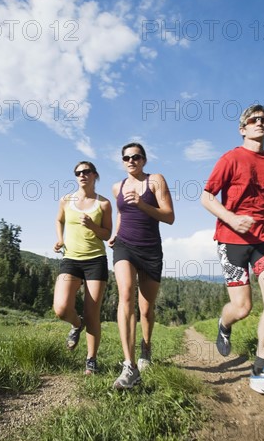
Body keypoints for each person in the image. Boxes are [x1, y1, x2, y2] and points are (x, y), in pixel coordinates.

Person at [201, 105, 264, 402]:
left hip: (263, 239)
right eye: (253, 120)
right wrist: (231, 218)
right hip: (230, 239)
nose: (259, 123)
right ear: (242, 129)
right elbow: (206, 197)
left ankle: (260, 371)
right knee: (242, 308)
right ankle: (224, 323)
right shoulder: (230, 158)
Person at [109, 143, 175, 390]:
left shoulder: (155, 180)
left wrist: (141, 204)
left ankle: (145, 349)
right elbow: (120, 213)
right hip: (124, 245)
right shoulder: (118, 186)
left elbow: (169, 216)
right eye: (126, 157)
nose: (130, 160)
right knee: (125, 295)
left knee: (146, 309)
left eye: (136, 157)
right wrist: (116, 234)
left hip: (150, 250)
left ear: (144, 160)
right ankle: (129, 366)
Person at [53, 161, 112, 375]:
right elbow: (59, 220)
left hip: (96, 260)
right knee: (60, 308)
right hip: (71, 259)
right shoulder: (66, 200)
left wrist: (93, 226)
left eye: (86, 171)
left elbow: (107, 234)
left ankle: (91, 360)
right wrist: (60, 240)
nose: (82, 175)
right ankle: (77, 325)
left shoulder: (103, 203)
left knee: (92, 312)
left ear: (95, 175)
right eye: (78, 172)